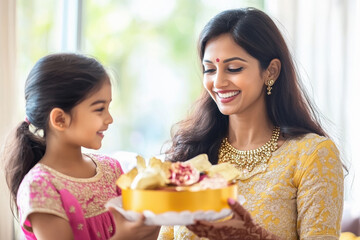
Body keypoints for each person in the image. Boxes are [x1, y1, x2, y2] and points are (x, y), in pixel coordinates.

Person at [158, 7, 345, 240]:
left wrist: (251, 236)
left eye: (234, 68)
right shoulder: (191, 154)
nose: (218, 82)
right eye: (209, 69)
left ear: (271, 71)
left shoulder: (311, 155)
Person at [2, 53, 159, 240]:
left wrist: (154, 215)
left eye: (108, 107)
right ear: (60, 119)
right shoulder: (40, 187)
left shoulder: (112, 169)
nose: (110, 119)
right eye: (100, 109)